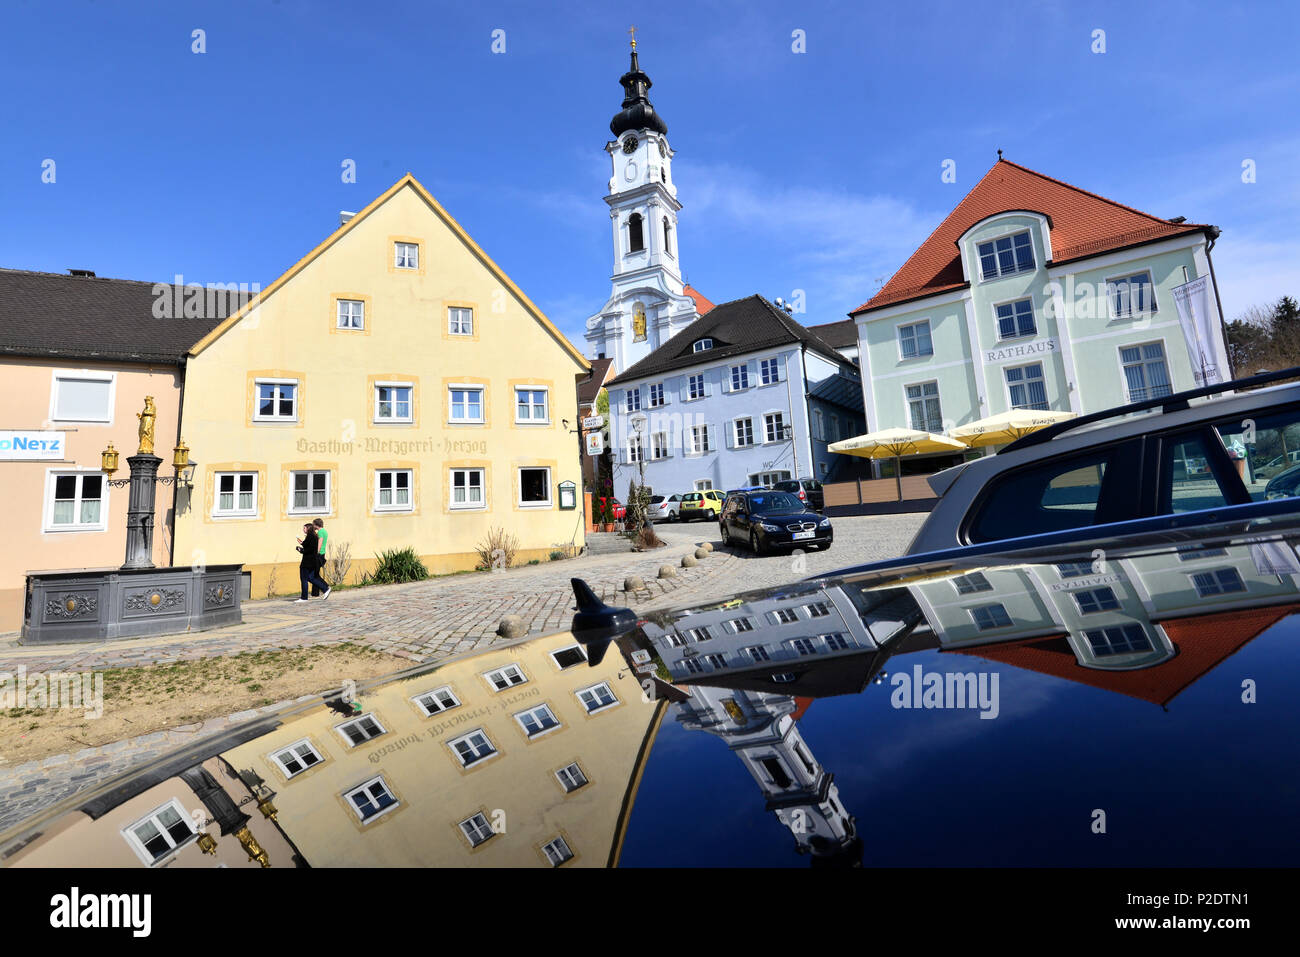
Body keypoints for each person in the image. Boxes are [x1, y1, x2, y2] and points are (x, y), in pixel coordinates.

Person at [295, 523, 330, 602]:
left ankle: (304, 598)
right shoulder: (313, 536)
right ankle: (325, 589)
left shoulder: (310, 537)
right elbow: (306, 545)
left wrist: (301, 550)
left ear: (308, 528)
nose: (303, 530)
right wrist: (300, 543)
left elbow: (309, 549)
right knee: (311, 578)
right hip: (312, 561)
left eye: (304, 528)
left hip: (307, 561)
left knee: (304, 578)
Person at [311, 518, 329, 596]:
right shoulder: (324, 531)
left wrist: (316, 552)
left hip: (319, 554)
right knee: (316, 573)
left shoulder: (320, 532)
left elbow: (320, 542)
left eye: (313, 524)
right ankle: (315, 593)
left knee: (314, 574)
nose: (313, 526)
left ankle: (326, 587)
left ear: (316, 525)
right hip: (322, 553)